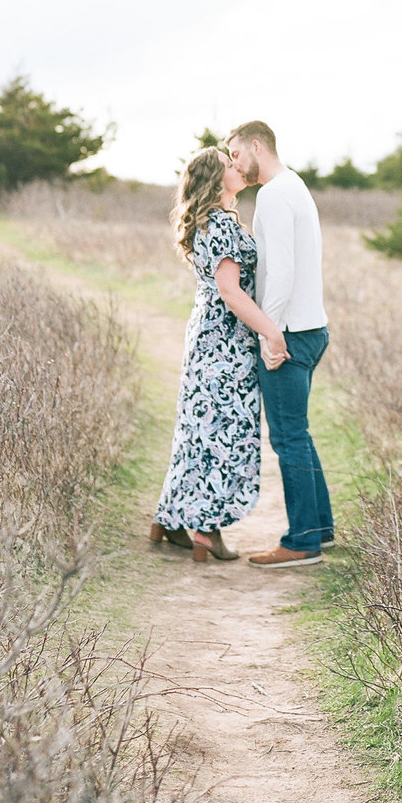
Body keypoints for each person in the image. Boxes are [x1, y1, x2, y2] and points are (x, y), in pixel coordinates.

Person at [150, 144, 289, 563]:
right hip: (225, 342)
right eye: (229, 164)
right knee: (221, 432)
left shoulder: (210, 221)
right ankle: (206, 531)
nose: (237, 167)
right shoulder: (222, 227)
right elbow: (230, 291)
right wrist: (270, 331)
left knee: (197, 427)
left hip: (206, 335)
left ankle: (171, 519)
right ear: (215, 179)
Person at [227, 120, 333, 567]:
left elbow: (282, 271)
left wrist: (269, 332)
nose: (234, 164)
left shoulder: (271, 194)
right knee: (299, 435)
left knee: (288, 438)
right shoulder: (295, 185)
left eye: (235, 155)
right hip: (313, 327)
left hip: (288, 333)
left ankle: (301, 542)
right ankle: (321, 529)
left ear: (256, 146)